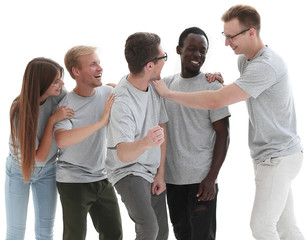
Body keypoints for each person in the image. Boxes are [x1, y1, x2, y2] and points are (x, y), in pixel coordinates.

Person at [153, 5, 304, 240]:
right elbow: (243, 91)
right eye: (225, 36)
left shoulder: (267, 65)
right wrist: (222, 86)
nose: (227, 43)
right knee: (287, 228)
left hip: (279, 157)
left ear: (251, 33)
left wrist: (171, 94)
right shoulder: (246, 61)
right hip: (267, 155)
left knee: (262, 227)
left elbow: (216, 101)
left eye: (231, 37)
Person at [163, 27, 230, 240]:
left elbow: (223, 134)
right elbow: (136, 85)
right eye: (192, 49)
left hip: (201, 182)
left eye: (203, 51)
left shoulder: (212, 87)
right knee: (182, 236)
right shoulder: (166, 85)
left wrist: (211, 178)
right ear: (179, 50)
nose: (197, 55)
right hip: (172, 181)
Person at [54, 46, 122, 240]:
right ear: (76, 71)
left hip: (102, 177)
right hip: (73, 181)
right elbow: (62, 139)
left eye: (99, 63)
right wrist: (101, 122)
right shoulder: (66, 104)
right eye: (93, 64)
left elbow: (138, 89)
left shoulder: (108, 93)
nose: (99, 68)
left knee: (114, 234)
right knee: (75, 236)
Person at [105, 32, 169, 240]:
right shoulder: (123, 102)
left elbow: (161, 128)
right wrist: (145, 142)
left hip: (150, 169)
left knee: (161, 233)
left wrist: (160, 173)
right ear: (150, 65)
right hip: (128, 171)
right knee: (149, 228)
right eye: (163, 57)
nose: (165, 61)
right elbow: (123, 153)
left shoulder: (152, 85)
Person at [5, 57, 74, 240]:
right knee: (16, 232)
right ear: (42, 84)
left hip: (48, 170)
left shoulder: (58, 95)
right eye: (56, 81)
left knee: (45, 231)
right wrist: (52, 120)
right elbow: (39, 157)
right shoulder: (19, 111)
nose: (62, 83)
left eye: (60, 78)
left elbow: (80, 99)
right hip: (20, 169)